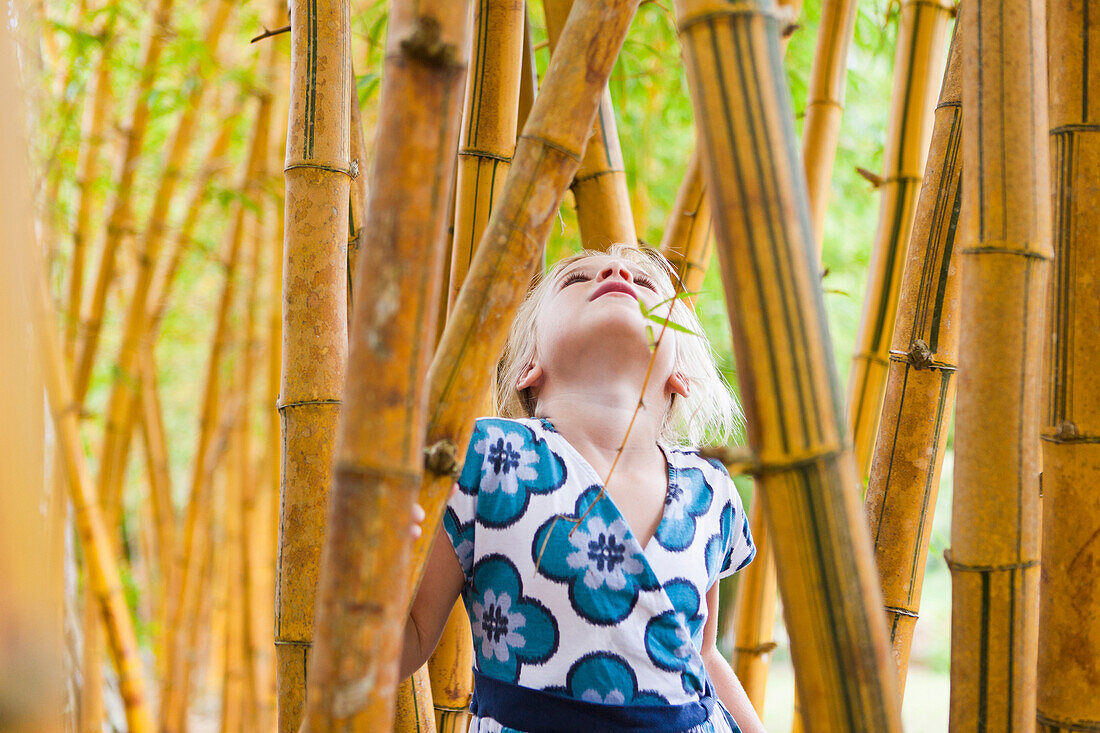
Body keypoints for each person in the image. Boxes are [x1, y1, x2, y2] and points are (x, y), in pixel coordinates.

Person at [403, 244, 766, 733]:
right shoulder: (485, 455)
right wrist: (374, 561)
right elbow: (412, 638)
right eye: (577, 279)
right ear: (528, 366)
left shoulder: (710, 489)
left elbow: (703, 656)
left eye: (647, 284)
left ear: (680, 373)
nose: (617, 272)